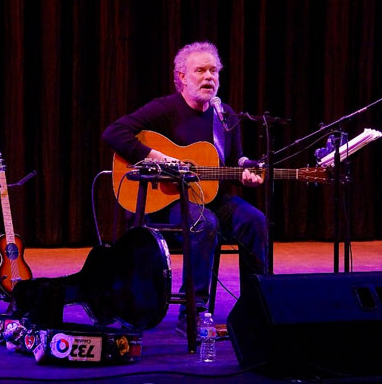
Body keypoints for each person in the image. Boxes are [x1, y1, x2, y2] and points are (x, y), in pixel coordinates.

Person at [102, 41, 268, 334]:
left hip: (209, 197)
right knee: (205, 223)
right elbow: (114, 133)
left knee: (255, 220)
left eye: (213, 71)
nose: (209, 77)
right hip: (166, 204)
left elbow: (233, 160)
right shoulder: (165, 108)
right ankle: (194, 313)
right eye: (200, 70)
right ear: (181, 76)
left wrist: (247, 170)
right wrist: (162, 159)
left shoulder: (224, 114)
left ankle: (257, 307)